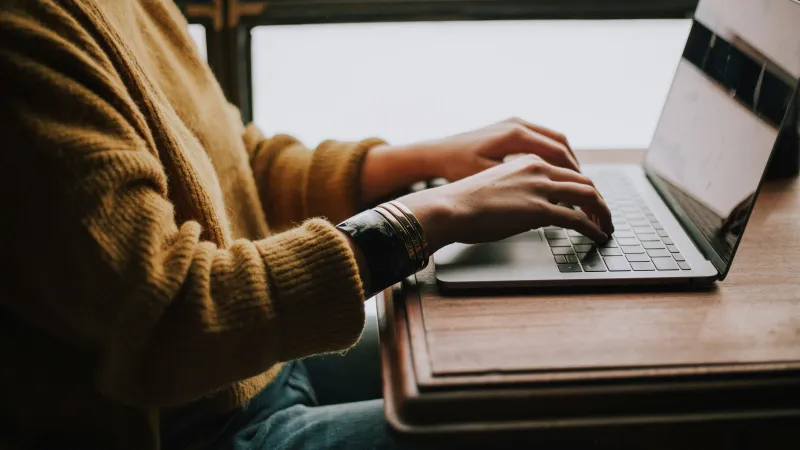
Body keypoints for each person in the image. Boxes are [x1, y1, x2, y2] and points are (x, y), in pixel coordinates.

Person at [0, 1, 613, 449]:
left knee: (555, 369)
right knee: (559, 428)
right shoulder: (23, 32)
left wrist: (422, 160)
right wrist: (430, 215)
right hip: (192, 426)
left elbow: (229, 166)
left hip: (254, 366)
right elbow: (170, 317)